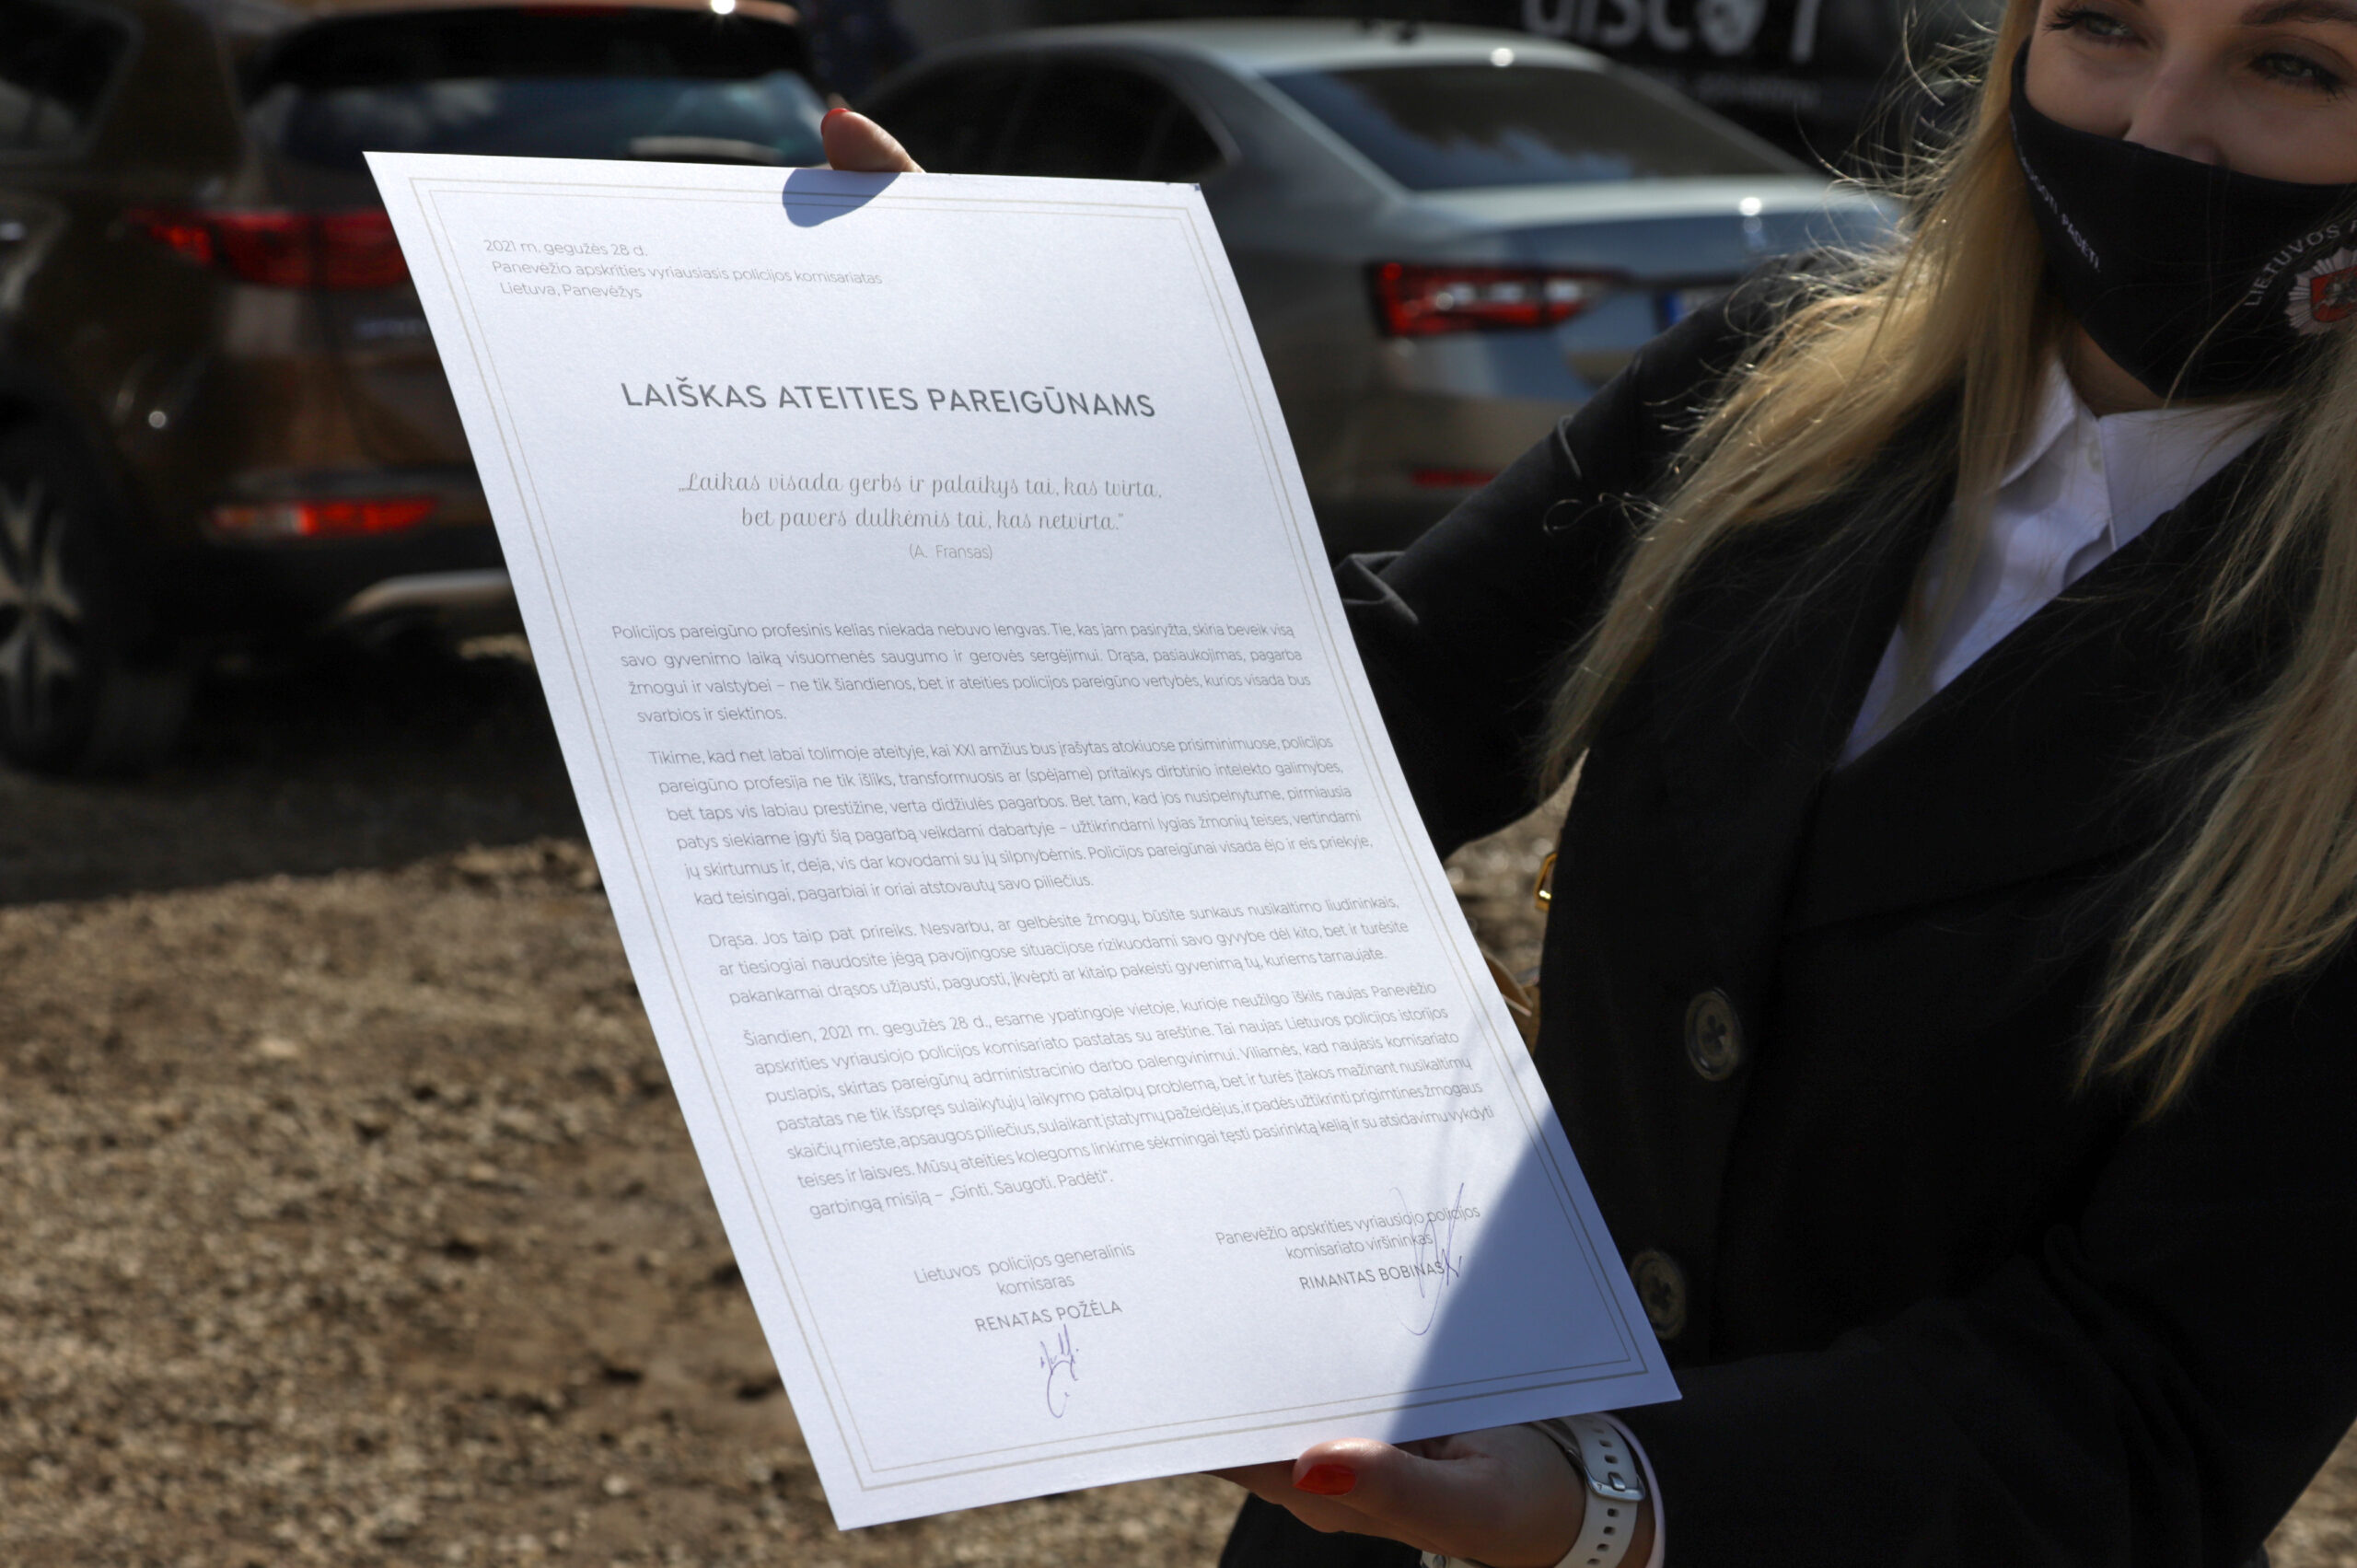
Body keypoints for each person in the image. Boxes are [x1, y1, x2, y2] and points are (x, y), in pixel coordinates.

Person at [817, 0, 2357, 1551]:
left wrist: (1617, 1503)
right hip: (1405, 1502)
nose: (2158, 130)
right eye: (2104, 26)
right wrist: (1004, 426)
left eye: (2296, 64)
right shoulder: (1786, 380)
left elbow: (2159, 1393)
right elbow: (1375, 710)